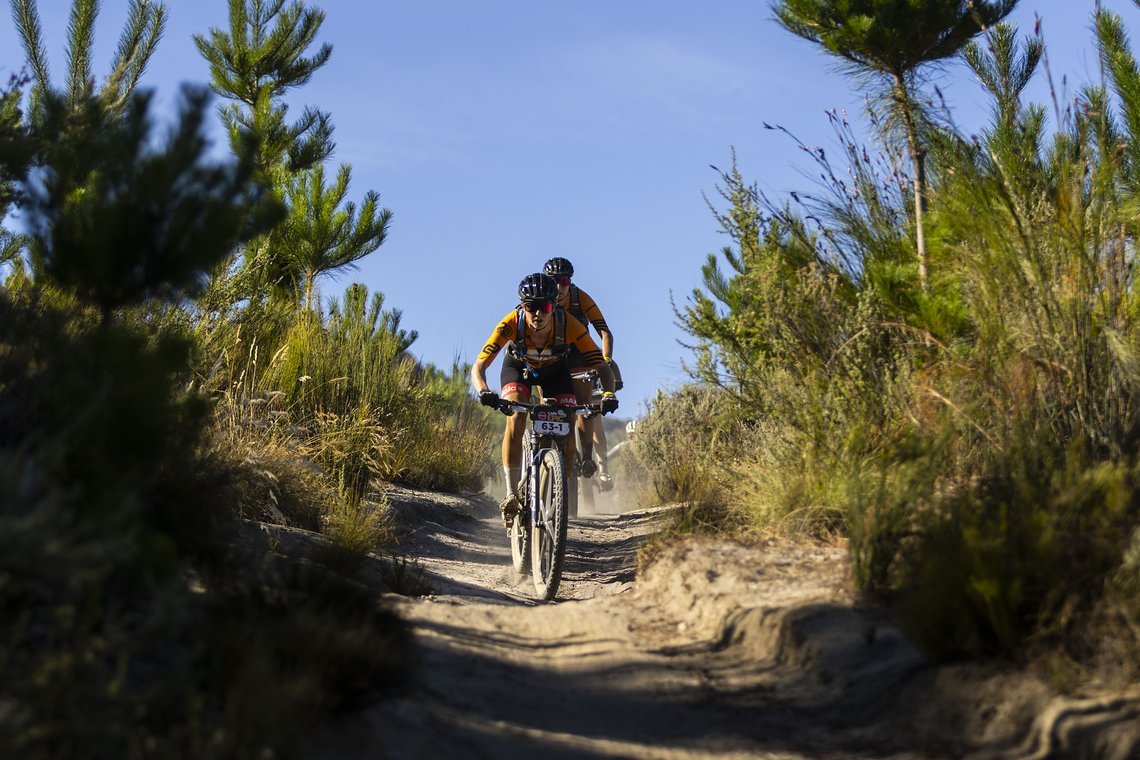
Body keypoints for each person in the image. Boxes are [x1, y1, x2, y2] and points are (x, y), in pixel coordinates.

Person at [471, 272, 618, 525]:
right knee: (516, 416)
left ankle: (562, 488)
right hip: (518, 370)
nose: (538, 314)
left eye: (546, 307)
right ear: (522, 306)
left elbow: (602, 366)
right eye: (531, 307)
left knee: (569, 420)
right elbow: (479, 366)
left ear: (554, 306)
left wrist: (608, 393)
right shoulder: (511, 323)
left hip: (555, 374)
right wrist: (484, 390)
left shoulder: (570, 324)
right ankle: (511, 494)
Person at [542, 257, 622, 490]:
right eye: (553, 281)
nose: (559, 286)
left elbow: (605, 333)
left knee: (584, 403)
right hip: (549, 353)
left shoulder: (581, 298)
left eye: (564, 280)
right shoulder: (541, 299)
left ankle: (587, 457)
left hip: (579, 354)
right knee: (543, 399)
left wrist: (604, 361)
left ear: (570, 281)